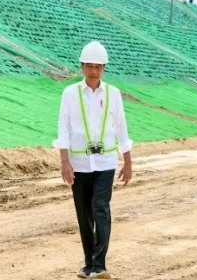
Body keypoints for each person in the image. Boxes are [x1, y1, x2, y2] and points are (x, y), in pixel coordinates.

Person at [53, 41, 133, 280]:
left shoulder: (113, 94)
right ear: (82, 67)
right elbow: (63, 129)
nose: (94, 71)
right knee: (83, 213)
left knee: (101, 209)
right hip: (79, 164)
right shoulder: (70, 93)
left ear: (104, 68)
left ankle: (100, 265)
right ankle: (88, 264)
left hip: (106, 163)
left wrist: (127, 162)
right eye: (89, 66)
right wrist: (64, 162)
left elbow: (121, 128)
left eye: (98, 66)